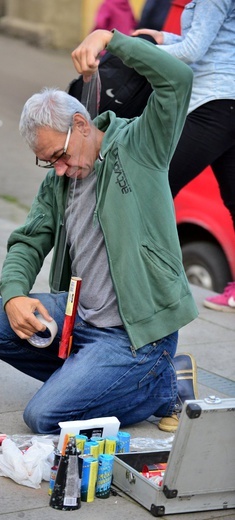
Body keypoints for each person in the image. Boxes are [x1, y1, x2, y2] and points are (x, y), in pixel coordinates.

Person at [0, 29, 199, 435]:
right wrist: (15, 295)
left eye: (58, 155)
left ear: (81, 124)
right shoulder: (60, 182)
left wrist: (110, 38)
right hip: (78, 321)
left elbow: (177, 78)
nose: (58, 168)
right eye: (46, 161)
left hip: (135, 336)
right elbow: (28, 241)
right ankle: (90, 379)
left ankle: (160, 386)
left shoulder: (142, 144)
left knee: (43, 417)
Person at [133, 0, 235, 313]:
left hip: (213, 104)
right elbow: (211, 42)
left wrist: (126, 48)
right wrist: (162, 37)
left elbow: (192, 53)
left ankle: (147, 286)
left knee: (155, 185)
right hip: (227, 101)